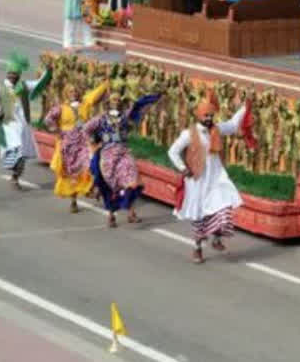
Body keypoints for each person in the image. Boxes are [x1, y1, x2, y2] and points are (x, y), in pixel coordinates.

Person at [168, 94, 251, 264]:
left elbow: (234, 124)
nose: (209, 118)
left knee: (224, 209)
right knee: (200, 216)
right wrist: (183, 168)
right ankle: (197, 248)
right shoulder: (189, 134)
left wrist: (245, 107)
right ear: (199, 115)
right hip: (197, 180)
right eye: (206, 115)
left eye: (211, 115)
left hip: (216, 178)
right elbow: (173, 151)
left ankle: (217, 238)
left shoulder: (217, 129)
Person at [87, 91, 161, 228]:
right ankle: (111, 214)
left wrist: (153, 99)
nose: (117, 102)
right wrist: (94, 143)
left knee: (132, 182)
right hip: (108, 155)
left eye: (118, 100)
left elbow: (138, 110)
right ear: (108, 102)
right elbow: (87, 129)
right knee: (111, 186)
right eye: (114, 100)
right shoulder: (100, 119)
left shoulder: (124, 117)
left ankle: (131, 211)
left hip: (123, 153)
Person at [44, 78, 110, 213]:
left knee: (89, 166)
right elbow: (48, 119)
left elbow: (96, 94)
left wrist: (105, 84)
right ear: (66, 93)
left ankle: (90, 189)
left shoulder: (85, 103)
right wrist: (57, 131)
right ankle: (73, 200)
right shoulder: (61, 108)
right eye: (71, 91)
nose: (74, 93)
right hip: (68, 144)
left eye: (75, 91)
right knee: (71, 171)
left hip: (83, 142)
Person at [0, 54, 52, 189]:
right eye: (10, 73)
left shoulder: (24, 86)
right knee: (17, 148)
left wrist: (48, 71)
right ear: (7, 74)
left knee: (22, 154)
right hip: (8, 125)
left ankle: (15, 176)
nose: (12, 76)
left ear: (19, 75)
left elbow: (39, 84)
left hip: (23, 125)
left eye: (15, 74)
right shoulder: (0, 87)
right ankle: (14, 171)